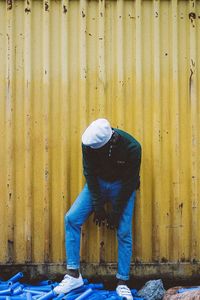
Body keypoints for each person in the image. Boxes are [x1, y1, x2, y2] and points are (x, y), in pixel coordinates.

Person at [54, 119, 142, 300]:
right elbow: (89, 173)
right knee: (71, 218)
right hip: (98, 184)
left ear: (109, 142)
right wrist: (97, 205)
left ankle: (123, 282)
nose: (91, 150)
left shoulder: (132, 147)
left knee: (124, 231)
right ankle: (73, 275)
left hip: (123, 186)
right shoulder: (89, 143)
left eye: (96, 149)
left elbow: (130, 183)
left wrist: (116, 212)